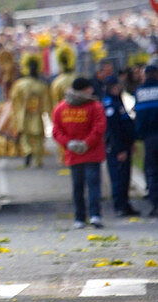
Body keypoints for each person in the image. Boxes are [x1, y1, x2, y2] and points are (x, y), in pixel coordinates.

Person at [52, 77, 107, 229]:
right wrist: (87, 143)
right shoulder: (95, 106)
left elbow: (56, 131)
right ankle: (95, 215)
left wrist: (68, 143)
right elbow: (99, 128)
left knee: (77, 187)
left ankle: (79, 218)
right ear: (85, 89)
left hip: (73, 154)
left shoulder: (61, 108)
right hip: (92, 153)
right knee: (93, 185)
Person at [103, 75, 138, 217]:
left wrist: (131, 143)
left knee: (125, 178)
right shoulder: (110, 104)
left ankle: (125, 204)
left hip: (125, 145)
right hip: (117, 148)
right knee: (118, 178)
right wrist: (120, 150)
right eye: (115, 87)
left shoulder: (117, 101)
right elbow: (114, 131)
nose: (117, 89)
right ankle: (120, 206)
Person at [10, 55, 50, 167]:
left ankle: (28, 152)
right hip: (36, 115)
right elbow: (46, 104)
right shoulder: (41, 85)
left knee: (25, 137)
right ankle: (38, 159)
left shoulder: (19, 84)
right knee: (38, 138)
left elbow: (14, 101)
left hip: (23, 115)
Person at [133, 64, 158, 217]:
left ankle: (156, 204)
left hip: (149, 138)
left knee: (153, 172)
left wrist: (139, 136)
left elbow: (139, 117)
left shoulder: (140, 92)